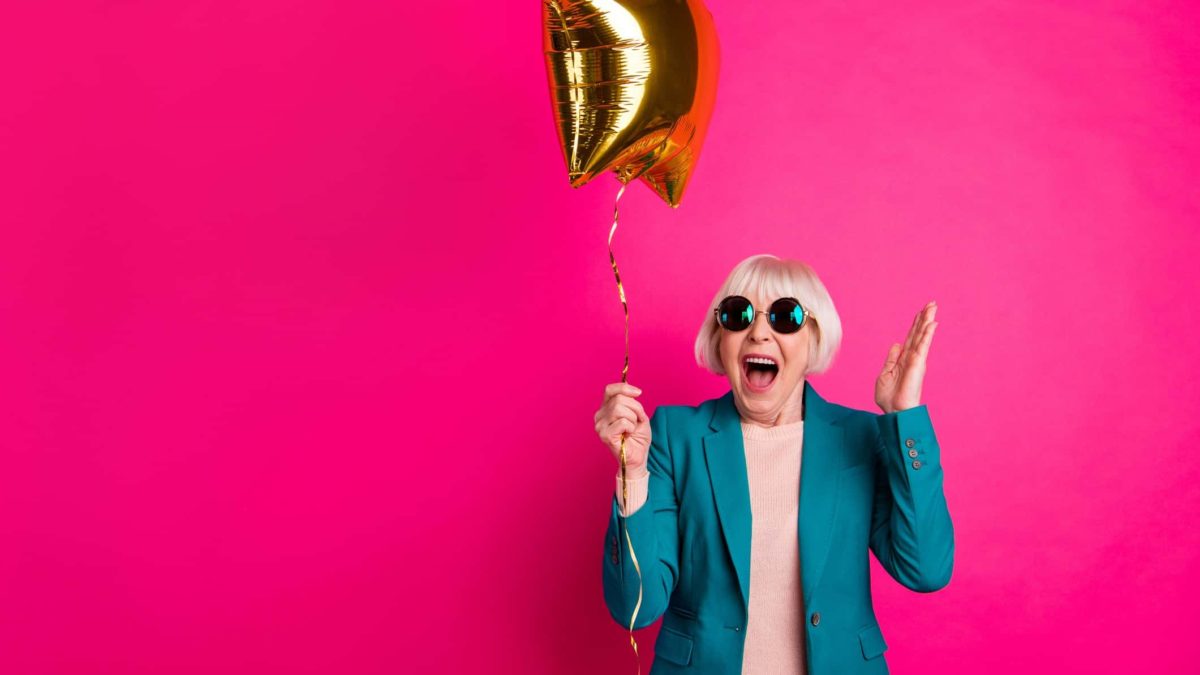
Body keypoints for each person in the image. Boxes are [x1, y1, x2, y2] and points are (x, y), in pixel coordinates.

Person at [595, 254, 954, 674]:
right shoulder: (676, 437)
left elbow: (926, 569)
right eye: (737, 315)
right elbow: (634, 609)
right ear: (720, 336)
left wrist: (903, 417)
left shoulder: (860, 439)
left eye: (784, 317)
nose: (758, 333)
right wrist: (632, 473)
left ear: (813, 338)